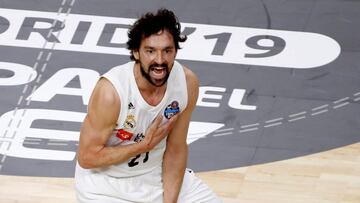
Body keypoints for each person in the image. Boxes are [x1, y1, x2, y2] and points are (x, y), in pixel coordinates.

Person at [75, 8, 222, 203]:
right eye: (150, 51)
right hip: (106, 185)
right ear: (136, 52)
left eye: (167, 51)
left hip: (155, 174)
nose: (159, 61)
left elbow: (176, 149)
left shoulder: (187, 83)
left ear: (175, 51)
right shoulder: (111, 92)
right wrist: (143, 146)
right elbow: (87, 158)